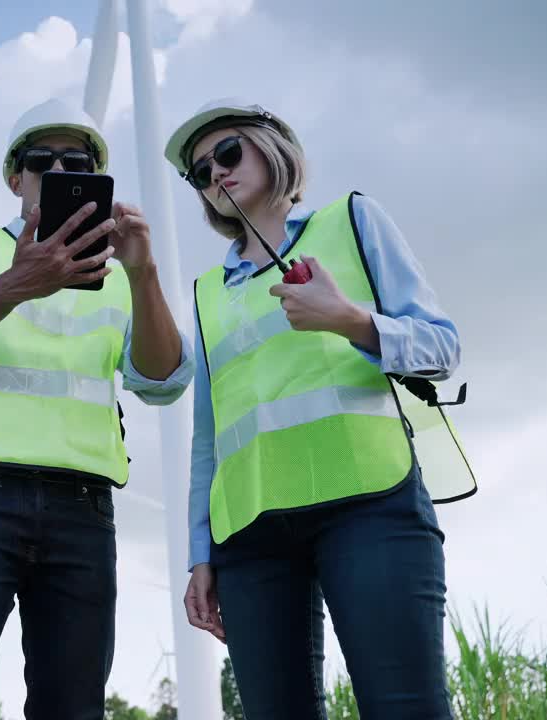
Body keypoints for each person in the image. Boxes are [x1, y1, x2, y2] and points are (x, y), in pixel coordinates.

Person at [164, 98, 476, 719]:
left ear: (271, 146)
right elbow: (209, 438)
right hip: (249, 533)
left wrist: (350, 321)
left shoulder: (354, 221)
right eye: (201, 172)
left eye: (227, 152)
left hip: (368, 503)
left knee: (405, 708)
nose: (216, 174)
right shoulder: (203, 295)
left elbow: (443, 347)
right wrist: (200, 552)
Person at [0, 98, 193, 719]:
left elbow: (162, 382)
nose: (58, 171)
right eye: (42, 160)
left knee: (73, 708)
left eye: (75, 162)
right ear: (14, 178)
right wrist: (14, 284)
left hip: (83, 511)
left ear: (98, 180)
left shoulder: (118, 275)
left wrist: (143, 273)